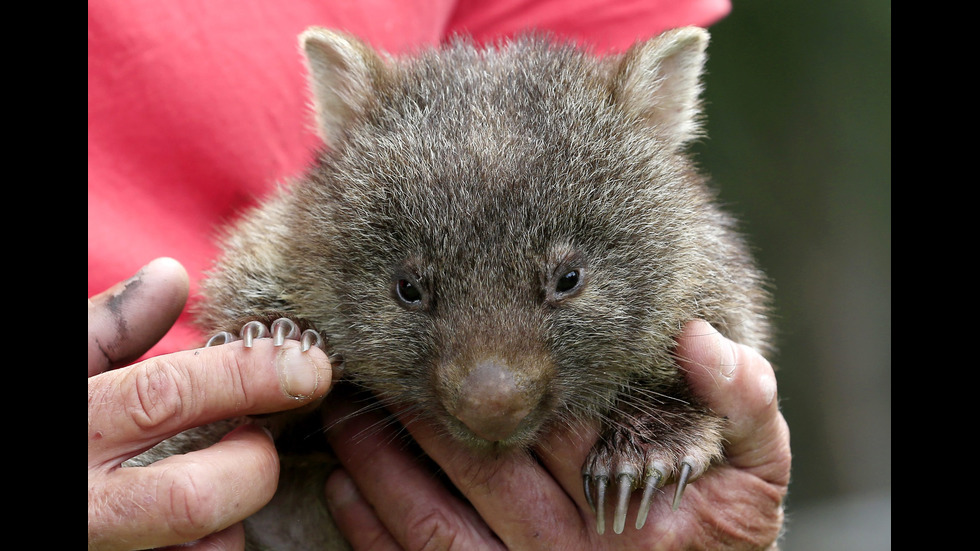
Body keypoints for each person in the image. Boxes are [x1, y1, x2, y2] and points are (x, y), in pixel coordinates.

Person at [89, 1, 789, 549]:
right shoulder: (317, 245)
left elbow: (712, 319)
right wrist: (268, 342)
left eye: (565, 282)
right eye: (411, 291)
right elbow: (263, 273)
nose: (490, 391)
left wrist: (677, 427)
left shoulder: (634, 180)